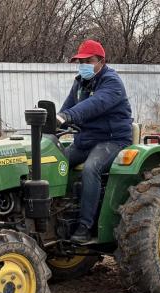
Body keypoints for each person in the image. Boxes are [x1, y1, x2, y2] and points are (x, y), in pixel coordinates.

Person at [56, 39, 133, 244]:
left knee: (92, 168)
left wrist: (68, 116)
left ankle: (85, 226)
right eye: (80, 61)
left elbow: (94, 105)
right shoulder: (80, 82)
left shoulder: (112, 82)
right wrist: (54, 123)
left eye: (88, 60)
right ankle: (55, 214)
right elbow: (67, 108)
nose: (83, 65)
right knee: (56, 162)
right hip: (86, 139)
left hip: (113, 139)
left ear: (101, 61)